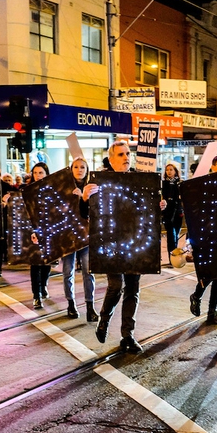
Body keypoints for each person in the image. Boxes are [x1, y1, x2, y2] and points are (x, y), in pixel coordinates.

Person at [83, 141, 166, 353]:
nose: (126, 157)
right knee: (116, 286)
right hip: (111, 245)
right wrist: (85, 198)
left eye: (128, 153)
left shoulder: (140, 180)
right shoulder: (99, 181)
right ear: (111, 159)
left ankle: (127, 335)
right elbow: (84, 214)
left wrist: (159, 206)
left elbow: (148, 212)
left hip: (135, 244)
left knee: (133, 289)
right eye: (120, 154)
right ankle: (104, 319)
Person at [189, 154, 217, 325]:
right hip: (208, 237)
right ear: (213, 166)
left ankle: (212, 312)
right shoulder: (205, 184)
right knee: (209, 273)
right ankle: (197, 295)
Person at [61, 157, 98, 321]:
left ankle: (90, 307)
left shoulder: (92, 188)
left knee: (88, 272)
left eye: (82, 167)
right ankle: (71, 304)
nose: (79, 170)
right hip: (68, 236)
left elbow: (96, 211)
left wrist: (85, 197)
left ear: (87, 169)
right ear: (71, 169)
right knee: (67, 271)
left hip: (86, 236)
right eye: (76, 167)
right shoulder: (64, 187)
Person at [29, 162, 53, 308]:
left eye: (41, 173)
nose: (38, 176)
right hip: (33, 232)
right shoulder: (28, 190)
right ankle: (36, 295)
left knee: (47, 263)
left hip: (49, 231)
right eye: (35, 173)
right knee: (35, 264)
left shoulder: (51, 190)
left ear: (46, 174)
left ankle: (43, 284)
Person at [161, 161, 184, 265]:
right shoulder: (164, 184)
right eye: (167, 170)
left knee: (176, 235)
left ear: (175, 171)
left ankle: (175, 258)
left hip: (178, 212)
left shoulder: (179, 183)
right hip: (168, 212)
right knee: (171, 235)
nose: (169, 172)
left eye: (171, 170)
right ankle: (172, 259)